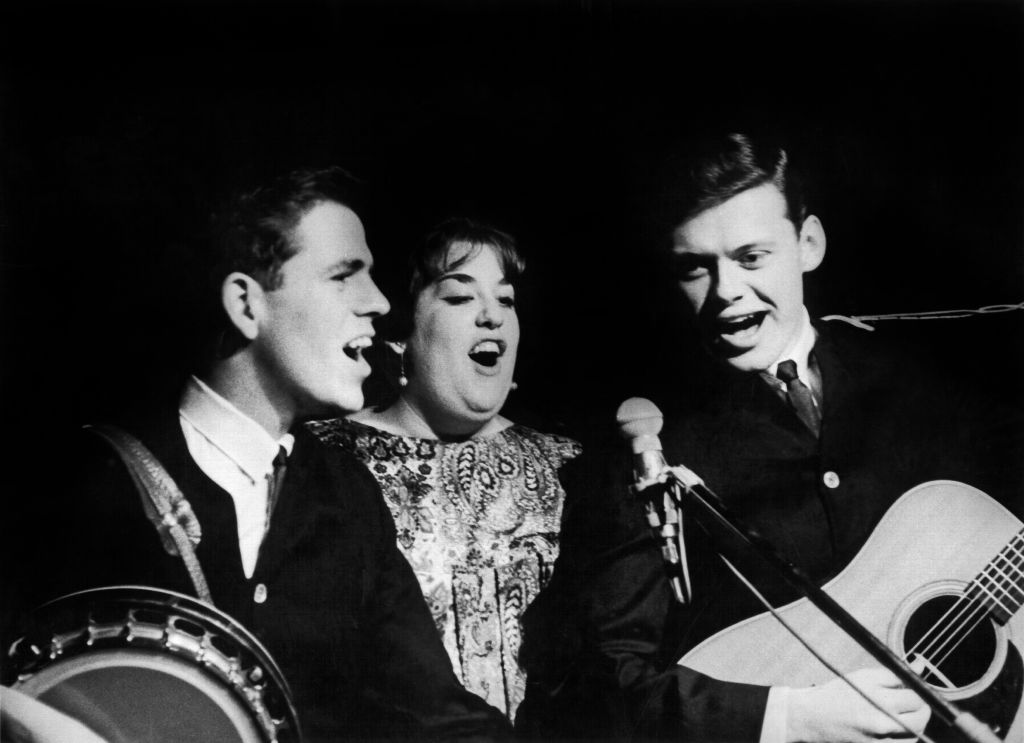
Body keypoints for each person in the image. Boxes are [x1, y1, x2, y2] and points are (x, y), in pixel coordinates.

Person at [515, 133, 1019, 742]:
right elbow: (609, 681)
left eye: (751, 257)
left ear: (809, 244)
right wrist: (794, 718)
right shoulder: (647, 444)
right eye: (696, 268)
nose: (726, 290)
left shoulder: (920, 381)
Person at [4, 168, 511, 742]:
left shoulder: (347, 495)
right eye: (345, 275)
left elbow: (440, 719)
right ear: (246, 305)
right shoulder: (83, 478)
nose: (379, 302)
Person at [308, 218, 582, 720]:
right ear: (398, 336)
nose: (492, 317)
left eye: (506, 300)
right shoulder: (322, 463)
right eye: (459, 298)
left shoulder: (569, 469)